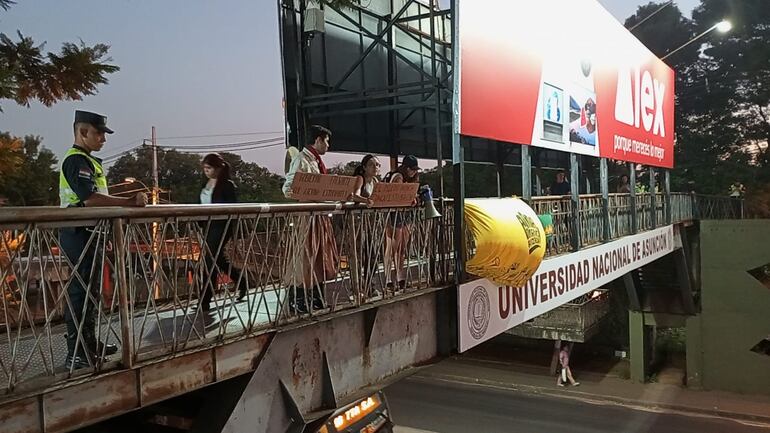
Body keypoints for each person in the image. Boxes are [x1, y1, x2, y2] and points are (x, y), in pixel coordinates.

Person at [59, 110, 147, 369]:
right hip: (78, 232)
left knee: (90, 292)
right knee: (80, 292)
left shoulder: (88, 160)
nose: (103, 139)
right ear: (82, 131)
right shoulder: (76, 160)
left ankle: (88, 343)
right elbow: (89, 199)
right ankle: (76, 352)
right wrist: (129, 202)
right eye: (98, 133)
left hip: (90, 232)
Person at [282, 125, 340, 313]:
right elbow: (288, 188)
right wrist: (308, 195)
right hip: (307, 216)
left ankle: (316, 297)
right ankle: (297, 299)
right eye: (326, 141)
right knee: (304, 257)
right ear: (318, 140)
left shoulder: (315, 161)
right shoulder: (301, 159)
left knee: (319, 257)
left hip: (319, 216)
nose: (328, 145)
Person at [199, 153, 246, 310]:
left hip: (221, 227)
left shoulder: (227, 185)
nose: (206, 171)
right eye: (205, 168)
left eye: (209, 168)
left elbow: (233, 208)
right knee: (218, 260)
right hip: (208, 226)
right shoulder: (205, 184)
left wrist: (234, 231)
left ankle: (205, 300)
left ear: (218, 168)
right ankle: (243, 282)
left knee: (209, 261)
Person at [383, 155, 420, 292]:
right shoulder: (397, 177)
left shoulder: (410, 179)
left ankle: (400, 276)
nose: (413, 172)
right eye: (411, 169)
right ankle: (388, 279)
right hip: (394, 214)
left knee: (402, 248)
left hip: (404, 214)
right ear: (405, 168)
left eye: (415, 170)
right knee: (393, 246)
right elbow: (396, 194)